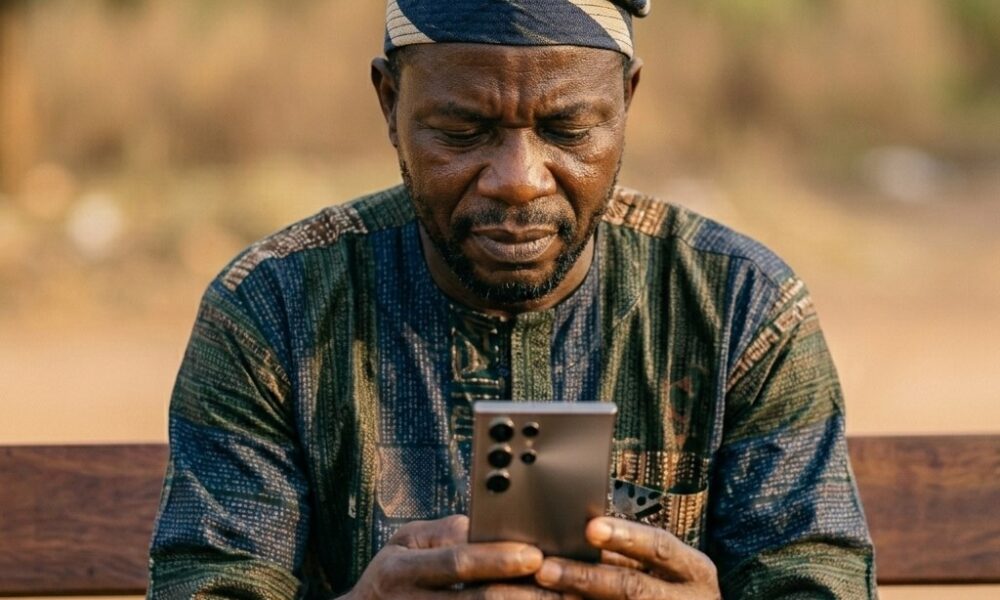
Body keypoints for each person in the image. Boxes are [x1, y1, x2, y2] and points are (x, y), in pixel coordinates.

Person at [147, 1, 876, 598]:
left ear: (626, 99)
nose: (518, 179)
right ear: (390, 101)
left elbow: (820, 579)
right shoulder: (275, 310)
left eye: (568, 129)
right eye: (462, 132)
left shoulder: (738, 309)